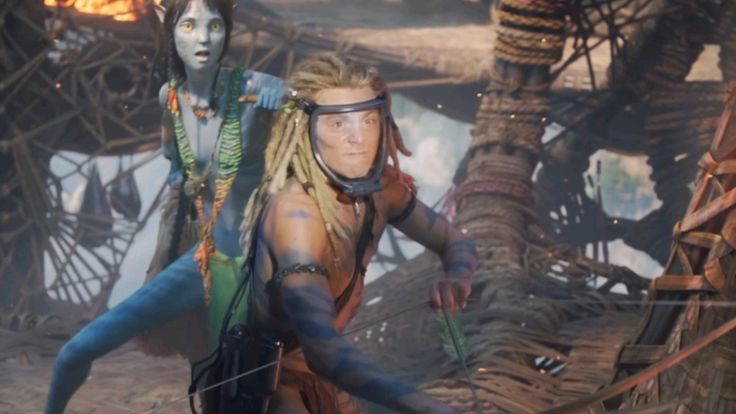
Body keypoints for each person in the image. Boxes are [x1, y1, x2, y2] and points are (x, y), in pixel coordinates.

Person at [44, 1, 284, 413]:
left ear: (227, 32)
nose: (203, 38)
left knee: (235, 392)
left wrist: (287, 96)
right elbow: (176, 166)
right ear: (170, 31)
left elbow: (325, 108)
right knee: (73, 353)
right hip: (199, 263)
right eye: (189, 26)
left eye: (214, 26)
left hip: (254, 269)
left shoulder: (258, 86)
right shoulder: (170, 96)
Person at [220, 55, 478, 414]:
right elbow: (323, 350)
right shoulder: (296, 217)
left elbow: (456, 242)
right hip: (270, 393)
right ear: (305, 128)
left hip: (326, 384)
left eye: (368, 120)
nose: (358, 138)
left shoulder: (382, 192)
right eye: (339, 123)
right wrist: (430, 408)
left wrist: (458, 278)